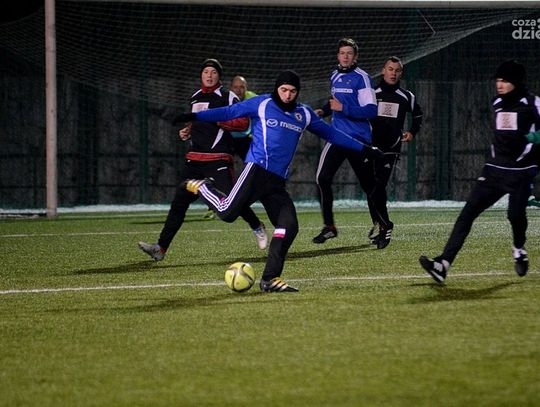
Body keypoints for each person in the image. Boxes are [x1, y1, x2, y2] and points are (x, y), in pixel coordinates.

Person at [175, 70, 382, 292]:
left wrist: (365, 149)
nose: (287, 95)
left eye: (292, 91)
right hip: (256, 172)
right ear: (277, 88)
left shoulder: (304, 113)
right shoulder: (262, 103)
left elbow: (332, 134)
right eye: (283, 90)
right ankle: (203, 186)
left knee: (288, 227)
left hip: (276, 182)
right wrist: (193, 116)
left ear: (297, 92)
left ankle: (270, 278)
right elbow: (228, 112)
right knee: (227, 213)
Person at [420, 60, 540, 283]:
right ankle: (443, 264)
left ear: (516, 81)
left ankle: (519, 248)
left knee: (515, 215)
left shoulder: (532, 103)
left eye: (505, 80)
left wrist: (533, 137)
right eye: (498, 80)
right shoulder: (497, 103)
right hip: (493, 171)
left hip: (521, 172)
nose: (499, 84)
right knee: (467, 214)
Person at [138, 58, 268, 261]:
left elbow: (243, 124)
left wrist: (220, 121)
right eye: (206, 71)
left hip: (218, 158)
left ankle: (256, 225)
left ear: (219, 76)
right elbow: (197, 123)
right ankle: (160, 248)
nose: (209, 75)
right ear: (201, 75)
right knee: (179, 202)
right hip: (195, 160)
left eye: (213, 72)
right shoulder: (195, 97)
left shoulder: (228, 96)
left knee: (231, 199)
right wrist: (187, 131)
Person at [312, 38, 378, 244]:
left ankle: (380, 223)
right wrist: (323, 111)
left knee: (369, 185)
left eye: (349, 53)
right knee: (322, 178)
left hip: (358, 139)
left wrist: (343, 108)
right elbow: (335, 103)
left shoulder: (362, 78)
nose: (346, 56)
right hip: (338, 137)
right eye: (342, 53)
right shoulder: (335, 75)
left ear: (355, 56)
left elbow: (371, 111)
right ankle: (329, 227)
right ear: (338, 56)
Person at [367, 56, 423, 249]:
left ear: (401, 73)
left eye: (397, 70)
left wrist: (412, 132)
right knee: (371, 190)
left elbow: (418, 114)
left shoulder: (406, 96)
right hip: (370, 148)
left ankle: (386, 225)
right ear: (383, 71)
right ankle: (381, 224)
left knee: (378, 187)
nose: (393, 73)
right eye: (390, 69)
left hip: (390, 149)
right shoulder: (372, 94)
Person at [229, 75, 258, 160]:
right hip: (228, 137)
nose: (238, 90)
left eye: (241, 87)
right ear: (231, 88)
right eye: (235, 87)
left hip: (247, 138)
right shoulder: (225, 99)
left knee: (253, 161)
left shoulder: (254, 99)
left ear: (246, 88)